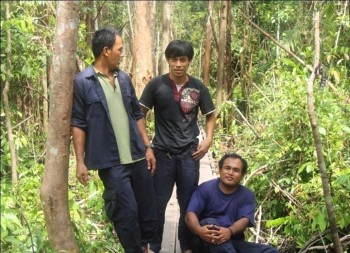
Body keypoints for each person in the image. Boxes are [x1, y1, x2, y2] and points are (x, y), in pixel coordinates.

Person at [71, 28, 157, 253]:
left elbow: (137, 114)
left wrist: (147, 146)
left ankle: (146, 248)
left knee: (147, 209)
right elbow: (78, 123)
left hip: (137, 155)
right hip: (111, 162)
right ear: (106, 51)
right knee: (125, 212)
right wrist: (80, 161)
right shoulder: (83, 82)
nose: (122, 53)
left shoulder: (124, 78)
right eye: (119, 49)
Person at [139, 40, 216, 253]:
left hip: (189, 154)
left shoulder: (198, 87)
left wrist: (208, 139)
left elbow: (210, 115)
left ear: (189, 61)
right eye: (174, 59)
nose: (178, 64)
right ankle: (153, 246)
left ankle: (186, 246)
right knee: (158, 203)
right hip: (161, 154)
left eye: (183, 59)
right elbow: (139, 116)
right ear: (168, 60)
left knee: (188, 203)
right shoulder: (156, 85)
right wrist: (147, 146)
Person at [185, 153, 279, 253]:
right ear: (220, 170)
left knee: (270, 251)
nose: (230, 172)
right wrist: (199, 230)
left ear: (242, 175)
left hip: (232, 240)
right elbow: (190, 214)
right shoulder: (205, 188)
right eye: (227, 168)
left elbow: (244, 220)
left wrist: (229, 231)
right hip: (205, 240)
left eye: (236, 170)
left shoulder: (247, 195)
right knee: (210, 223)